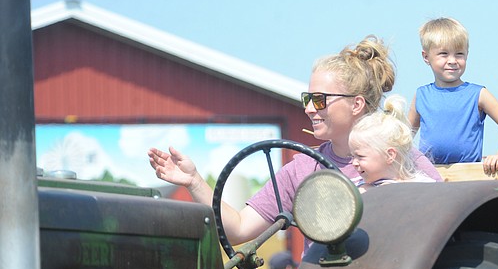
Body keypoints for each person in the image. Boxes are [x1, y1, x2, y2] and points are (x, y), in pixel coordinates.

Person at [148, 35, 442, 249]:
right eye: (307, 99)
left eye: (319, 100)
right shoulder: (302, 169)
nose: (309, 109)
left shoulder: (401, 159)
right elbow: (237, 229)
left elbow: (439, 222)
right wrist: (195, 181)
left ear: (356, 104)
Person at [408, 17, 498, 175]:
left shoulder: (478, 94)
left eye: (459, 54)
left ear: (467, 55)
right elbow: (402, 137)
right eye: (444, 54)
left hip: (470, 176)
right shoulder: (421, 95)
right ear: (426, 57)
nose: (452, 61)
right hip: (430, 177)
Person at [349, 94, 435, 192]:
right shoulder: (359, 190)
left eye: (360, 156)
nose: (354, 163)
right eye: (352, 156)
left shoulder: (422, 187)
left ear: (389, 155)